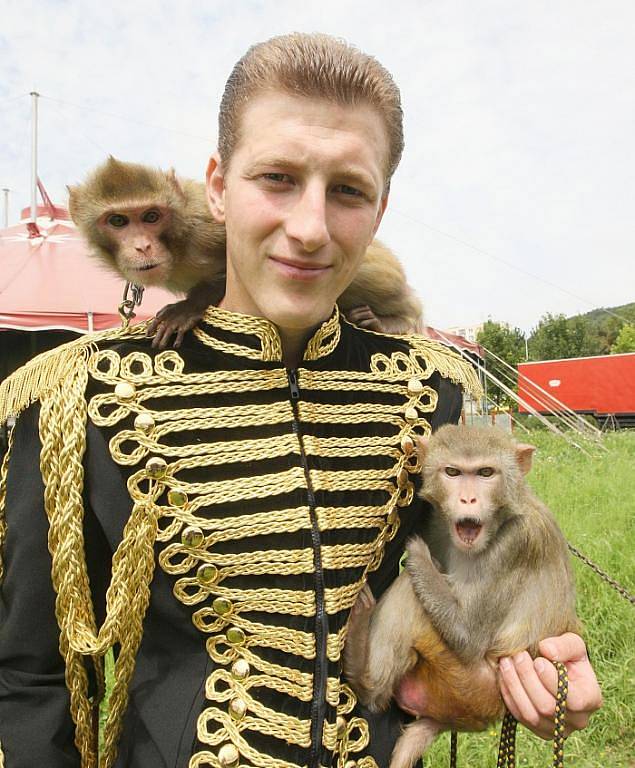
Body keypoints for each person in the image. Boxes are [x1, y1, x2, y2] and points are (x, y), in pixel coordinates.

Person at [0, 33, 600, 768]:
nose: (310, 229)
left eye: (347, 190)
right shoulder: (75, 399)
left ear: (380, 207)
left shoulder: (441, 389)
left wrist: (515, 671)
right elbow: (30, 676)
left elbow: (480, 603)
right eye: (277, 178)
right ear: (216, 186)